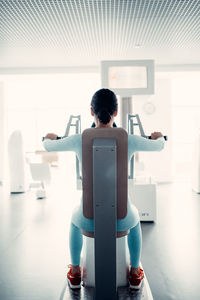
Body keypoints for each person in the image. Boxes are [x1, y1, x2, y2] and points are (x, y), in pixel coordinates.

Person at [43, 88, 164, 290]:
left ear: (92, 111)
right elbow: (159, 146)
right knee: (134, 221)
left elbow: (48, 146)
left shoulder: (79, 139)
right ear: (116, 112)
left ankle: (74, 272)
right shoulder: (129, 139)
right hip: (122, 219)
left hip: (88, 219)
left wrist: (49, 137)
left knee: (74, 220)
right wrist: (159, 137)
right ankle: (135, 273)